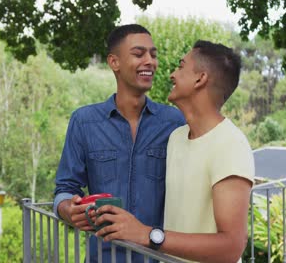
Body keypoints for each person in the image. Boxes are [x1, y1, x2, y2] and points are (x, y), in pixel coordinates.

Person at [93, 40, 255, 263]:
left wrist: (148, 234)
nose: (172, 75)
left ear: (201, 79)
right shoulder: (177, 138)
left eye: (180, 66)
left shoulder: (230, 145)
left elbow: (231, 247)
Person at [53, 24, 185, 262]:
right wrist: (67, 210)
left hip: (159, 258)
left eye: (153, 55)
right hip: (102, 257)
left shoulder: (175, 122)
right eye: (138, 54)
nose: (150, 61)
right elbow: (65, 188)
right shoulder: (83, 121)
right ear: (114, 62)